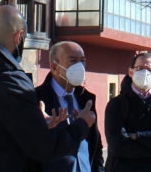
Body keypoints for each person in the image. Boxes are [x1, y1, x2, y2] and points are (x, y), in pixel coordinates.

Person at [0, 5, 96, 171]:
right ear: (19, 37)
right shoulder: (9, 79)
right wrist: (81, 124)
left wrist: (37, 124)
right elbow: (43, 148)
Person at [35, 41, 104, 172]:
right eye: (73, 61)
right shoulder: (36, 99)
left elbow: (95, 146)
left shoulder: (87, 99)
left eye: (82, 61)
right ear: (54, 67)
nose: (79, 66)